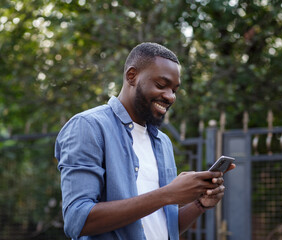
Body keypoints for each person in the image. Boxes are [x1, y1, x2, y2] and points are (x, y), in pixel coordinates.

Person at [55, 42, 235, 240]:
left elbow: (161, 227)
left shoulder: (163, 142)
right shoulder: (89, 127)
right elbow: (77, 220)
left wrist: (199, 204)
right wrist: (168, 194)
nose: (170, 97)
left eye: (174, 90)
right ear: (132, 76)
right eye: (161, 85)